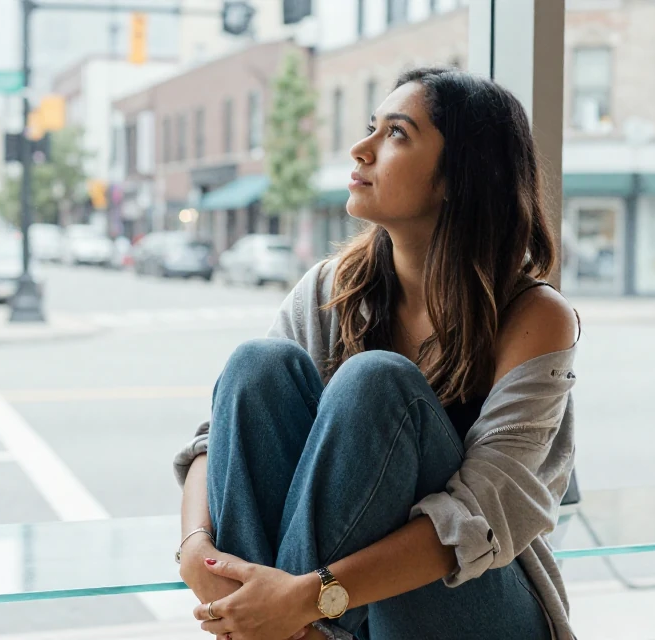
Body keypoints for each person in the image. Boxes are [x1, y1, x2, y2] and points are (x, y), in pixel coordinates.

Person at [173, 67, 580, 640]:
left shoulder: (533, 316)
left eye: (396, 134)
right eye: (372, 127)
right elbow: (218, 443)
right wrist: (196, 551)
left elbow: (481, 518)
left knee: (377, 382)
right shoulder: (332, 288)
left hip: (478, 604)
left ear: (457, 177)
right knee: (255, 368)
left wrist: (305, 598)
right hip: (345, 614)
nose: (359, 149)